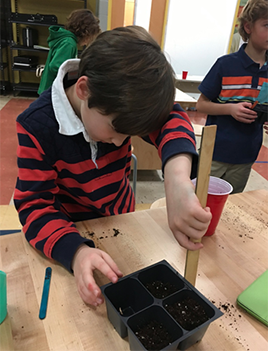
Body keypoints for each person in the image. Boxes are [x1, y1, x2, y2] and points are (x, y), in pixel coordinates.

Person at [14, 26, 211, 307]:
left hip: (122, 221)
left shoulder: (116, 102)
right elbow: (35, 207)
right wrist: (76, 251)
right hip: (69, 233)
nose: (120, 140)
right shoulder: (36, 127)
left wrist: (177, 181)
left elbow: (171, 119)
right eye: (116, 129)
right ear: (83, 89)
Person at [196, 0, 268, 194]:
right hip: (215, 153)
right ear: (248, 27)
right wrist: (230, 109)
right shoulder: (225, 65)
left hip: (246, 156)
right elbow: (201, 104)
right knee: (200, 200)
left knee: (230, 207)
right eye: (267, 25)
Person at [38, 9, 100, 95]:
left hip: (50, 88)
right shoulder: (69, 43)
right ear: (86, 32)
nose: (88, 42)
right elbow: (55, 66)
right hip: (52, 89)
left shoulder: (66, 39)